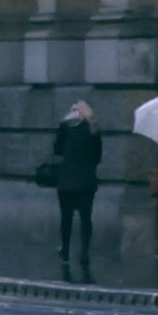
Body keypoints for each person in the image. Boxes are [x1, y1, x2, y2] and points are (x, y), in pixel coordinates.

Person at [52, 101, 102, 268]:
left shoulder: (65, 127)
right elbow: (97, 157)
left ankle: (65, 249)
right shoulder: (93, 130)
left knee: (66, 218)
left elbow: (57, 149)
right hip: (86, 181)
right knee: (86, 218)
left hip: (66, 180)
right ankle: (84, 253)